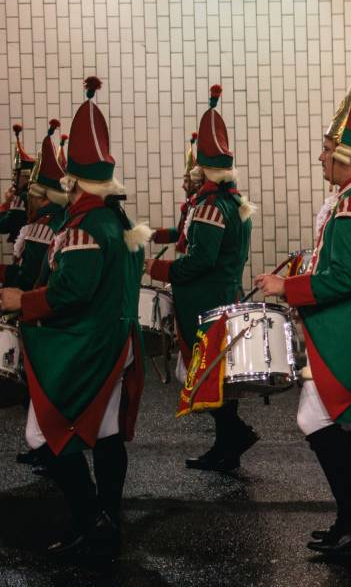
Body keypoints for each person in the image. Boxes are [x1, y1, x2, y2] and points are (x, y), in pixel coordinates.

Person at [255, 52, 351, 562]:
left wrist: (287, 288)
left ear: (348, 157)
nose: (321, 158)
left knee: (316, 417)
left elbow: (345, 276)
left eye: (326, 151)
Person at [0, 77, 147, 560]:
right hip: (115, 342)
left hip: (90, 343)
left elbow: (71, 290)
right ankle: (107, 518)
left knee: (41, 432)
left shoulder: (87, 225)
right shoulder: (116, 219)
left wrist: (24, 302)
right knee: (104, 432)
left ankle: (91, 520)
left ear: (75, 180)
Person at [145, 85, 257, 472]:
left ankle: (233, 437)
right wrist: (161, 236)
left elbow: (201, 260)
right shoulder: (232, 203)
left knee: (209, 375)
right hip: (222, 295)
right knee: (215, 376)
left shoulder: (211, 207)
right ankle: (229, 443)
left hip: (206, 300)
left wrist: (158, 269)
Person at [5, 119, 70, 469]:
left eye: (32, 191)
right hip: (57, 315)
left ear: (41, 195)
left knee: (38, 380)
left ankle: (48, 447)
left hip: (40, 313)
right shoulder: (61, 220)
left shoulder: (39, 227)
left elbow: (28, 276)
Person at [151, 131, 203, 251]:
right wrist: (154, 235)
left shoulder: (199, 205)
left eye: (186, 181)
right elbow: (180, 232)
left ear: (194, 182)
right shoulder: (191, 204)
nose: (182, 186)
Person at [0, 123, 36, 244]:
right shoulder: (31, 193)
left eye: (16, 174)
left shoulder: (21, 197)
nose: (13, 178)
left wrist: (6, 204)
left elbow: (4, 226)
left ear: (26, 176)